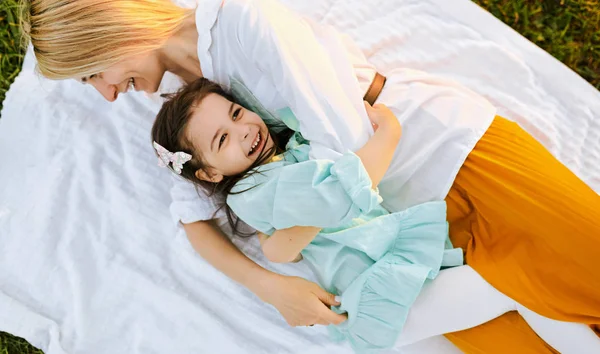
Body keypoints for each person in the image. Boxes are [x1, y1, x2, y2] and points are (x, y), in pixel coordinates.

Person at [22, 0, 600, 352]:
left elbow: (346, 144)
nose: (105, 93)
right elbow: (192, 220)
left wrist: (287, 241)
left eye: (93, 72)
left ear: (109, 36)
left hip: (451, 159)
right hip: (400, 240)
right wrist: (272, 286)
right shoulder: (179, 110)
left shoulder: (245, 23)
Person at [149, 77, 600, 353]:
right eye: (223, 139)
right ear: (209, 173)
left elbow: (303, 108)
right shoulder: (253, 191)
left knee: (519, 292)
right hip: (382, 296)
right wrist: (389, 134)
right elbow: (337, 196)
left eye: (237, 112)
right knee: (519, 283)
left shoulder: (284, 153)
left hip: (396, 283)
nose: (245, 130)